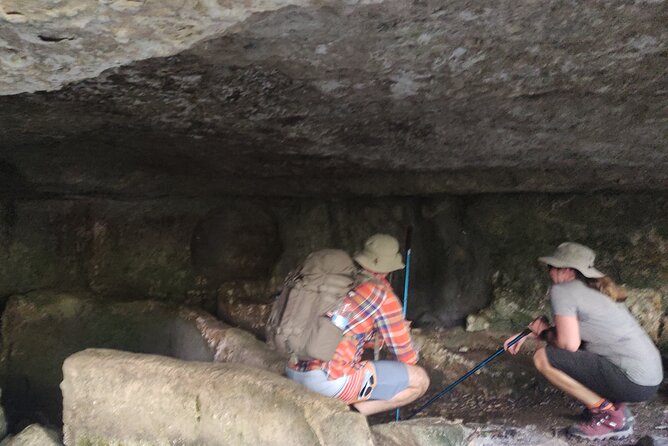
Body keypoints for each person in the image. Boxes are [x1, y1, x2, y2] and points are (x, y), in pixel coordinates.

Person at [504, 242, 663, 440]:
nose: (549, 272)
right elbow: (580, 338)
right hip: (650, 379)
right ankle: (619, 411)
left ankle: (609, 416)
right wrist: (531, 331)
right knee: (584, 352)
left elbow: (569, 344)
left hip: (632, 380)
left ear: (566, 270)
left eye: (551, 267)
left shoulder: (563, 290)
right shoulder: (597, 289)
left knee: (542, 357)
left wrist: (543, 333)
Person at [286, 233, 430, 415]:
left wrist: (376, 337)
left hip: (293, 368)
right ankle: (349, 416)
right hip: (328, 381)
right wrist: (399, 331)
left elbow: (344, 329)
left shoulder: (338, 282)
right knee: (419, 380)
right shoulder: (381, 294)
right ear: (388, 268)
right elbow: (406, 358)